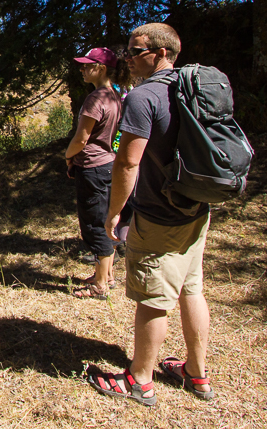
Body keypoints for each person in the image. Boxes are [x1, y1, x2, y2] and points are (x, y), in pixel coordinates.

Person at [86, 23, 214, 406]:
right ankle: (196, 372)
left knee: (154, 298)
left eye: (134, 50)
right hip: (195, 206)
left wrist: (115, 213)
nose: (127, 57)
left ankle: (139, 380)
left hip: (159, 212)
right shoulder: (193, 88)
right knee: (192, 289)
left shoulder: (144, 97)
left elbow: (127, 162)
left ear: (160, 53)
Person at [64, 47, 129, 299]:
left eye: (86, 65)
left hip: (91, 166)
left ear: (100, 68)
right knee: (105, 218)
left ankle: (100, 286)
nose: (81, 69)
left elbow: (81, 138)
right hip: (107, 164)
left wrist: (68, 156)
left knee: (94, 223)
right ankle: (106, 275)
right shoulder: (115, 95)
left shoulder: (95, 98)